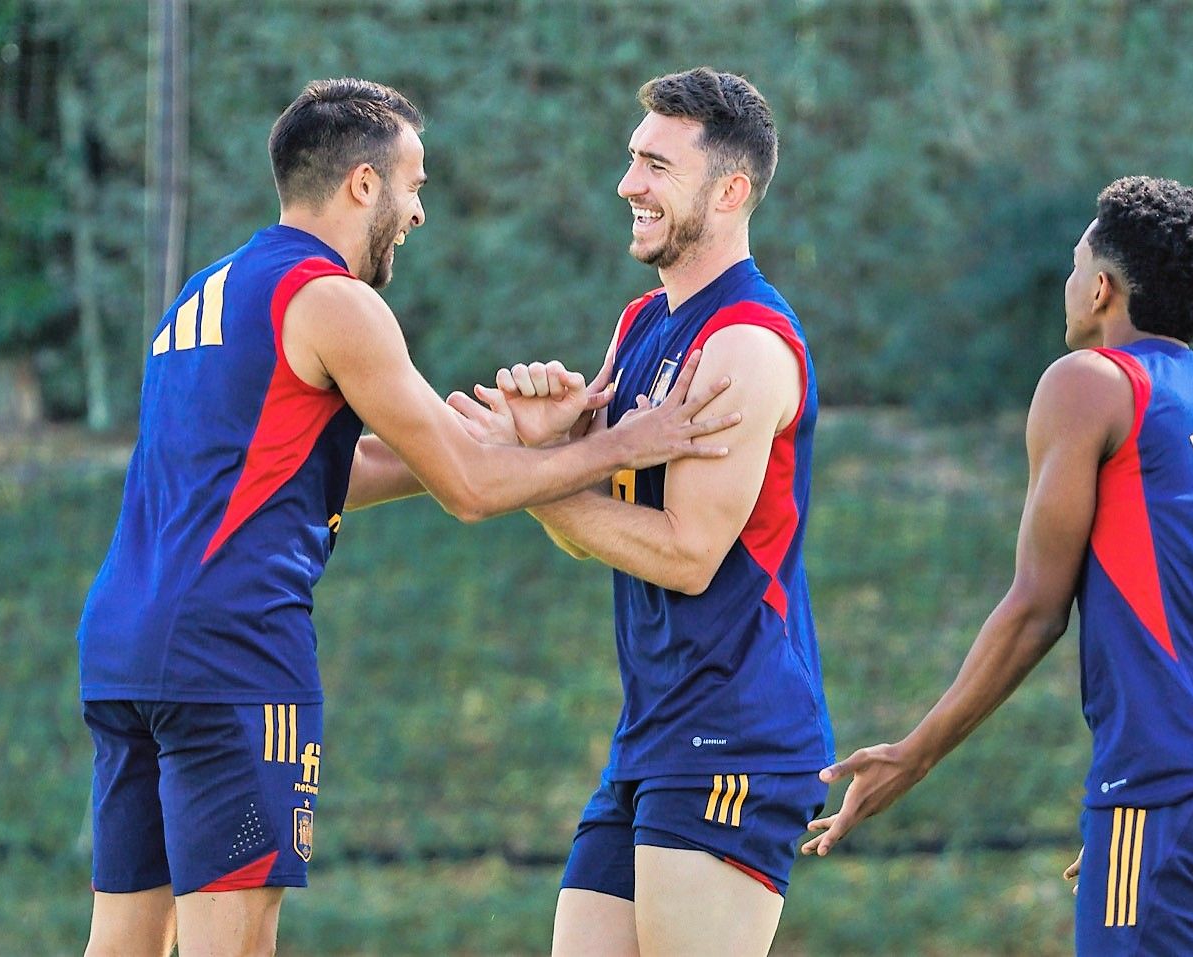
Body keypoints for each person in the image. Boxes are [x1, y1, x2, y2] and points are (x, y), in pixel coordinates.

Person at [76, 77, 735, 957]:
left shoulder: (209, 291)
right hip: (230, 654)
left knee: (121, 943)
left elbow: (319, 471)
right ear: (362, 184)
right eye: (414, 186)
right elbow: (467, 489)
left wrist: (508, 445)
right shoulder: (337, 301)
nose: (418, 212)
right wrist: (622, 444)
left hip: (122, 651)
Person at [801, 176, 1193, 956]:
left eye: (1077, 267)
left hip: (1174, 788)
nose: (1069, 284)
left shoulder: (1092, 383)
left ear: (1103, 288)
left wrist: (917, 751)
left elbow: (1037, 606)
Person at [488, 67, 832, 956]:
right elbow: (591, 534)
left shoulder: (744, 344)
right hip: (654, 732)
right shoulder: (642, 321)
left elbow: (685, 554)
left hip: (735, 733)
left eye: (655, 165)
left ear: (729, 191)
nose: (628, 184)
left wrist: (537, 473)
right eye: (632, 159)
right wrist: (549, 451)